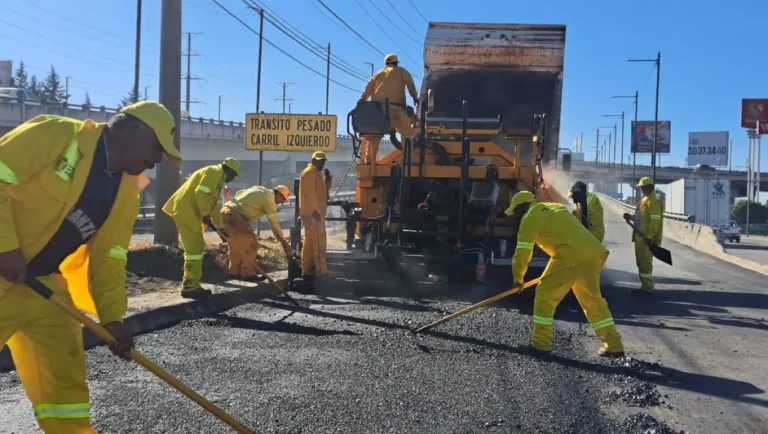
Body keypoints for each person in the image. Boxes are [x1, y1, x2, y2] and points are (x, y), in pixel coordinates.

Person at [0, 100, 181, 433]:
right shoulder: (55, 134)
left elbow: (109, 257)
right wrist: (5, 246)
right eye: (157, 147)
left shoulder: (127, 191)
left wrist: (112, 316)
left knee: (66, 391)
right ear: (133, 129)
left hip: (42, 286)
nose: (157, 160)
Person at [507, 191, 624, 357]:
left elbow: (523, 250)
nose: (516, 216)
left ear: (523, 206)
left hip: (571, 254)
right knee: (592, 301)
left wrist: (518, 279)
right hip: (592, 252)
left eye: (516, 211)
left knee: (545, 294)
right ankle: (614, 345)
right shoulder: (555, 207)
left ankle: (541, 344)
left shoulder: (531, 215)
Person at [162, 157, 241, 299]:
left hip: (191, 211)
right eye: (234, 176)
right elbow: (201, 193)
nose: (233, 179)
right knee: (194, 249)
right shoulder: (213, 172)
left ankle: (193, 284)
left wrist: (221, 227)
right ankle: (190, 287)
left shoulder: (217, 180)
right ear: (228, 170)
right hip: (186, 210)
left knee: (197, 247)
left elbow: (214, 206)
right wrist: (205, 215)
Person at [357, 53, 419, 169]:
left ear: (386, 63)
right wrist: (415, 97)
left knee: (374, 134)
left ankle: (369, 162)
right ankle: (408, 159)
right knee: (406, 132)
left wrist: (361, 100)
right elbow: (410, 84)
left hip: (379, 112)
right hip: (397, 110)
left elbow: (366, 92)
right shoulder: (401, 71)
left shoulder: (377, 75)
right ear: (396, 63)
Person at [221, 185, 293, 280]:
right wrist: (283, 242)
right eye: (282, 199)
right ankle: (248, 274)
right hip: (237, 215)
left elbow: (240, 192)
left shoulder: (260, 189)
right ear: (278, 194)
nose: (281, 202)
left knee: (236, 245)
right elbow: (274, 223)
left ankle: (234, 272)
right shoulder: (269, 200)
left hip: (226, 211)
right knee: (252, 244)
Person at [623, 177, 663, 292]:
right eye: (640, 188)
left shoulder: (653, 200)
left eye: (643, 187)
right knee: (641, 262)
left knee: (645, 263)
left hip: (646, 238)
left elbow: (655, 221)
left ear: (650, 187)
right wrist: (630, 217)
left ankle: (647, 287)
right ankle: (644, 285)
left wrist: (650, 236)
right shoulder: (645, 199)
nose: (641, 189)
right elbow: (640, 218)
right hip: (640, 236)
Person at [299, 151, 332, 281]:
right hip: (313, 215)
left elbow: (322, 193)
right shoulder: (309, 173)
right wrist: (317, 211)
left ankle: (306, 270)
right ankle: (321, 271)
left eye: (323, 161)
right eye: (319, 161)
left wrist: (328, 181)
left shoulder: (316, 174)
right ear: (313, 161)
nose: (321, 163)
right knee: (319, 242)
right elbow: (310, 194)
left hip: (313, 213)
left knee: (310, 243)